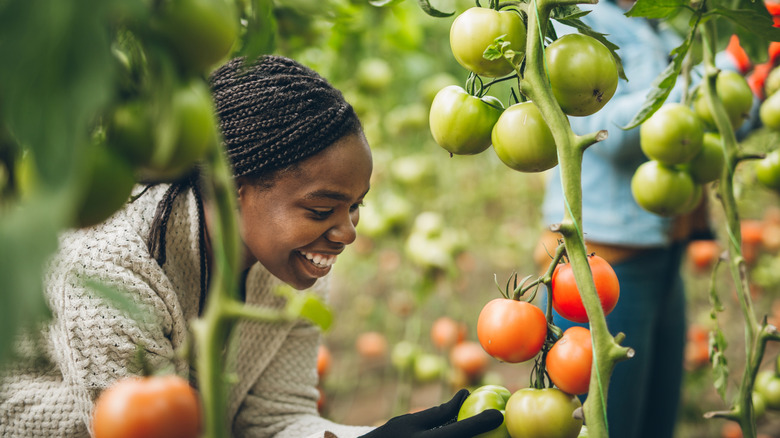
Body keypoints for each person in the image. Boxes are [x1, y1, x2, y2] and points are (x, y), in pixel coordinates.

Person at [0, 55, 502, 437]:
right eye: (321, 209)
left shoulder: (293, 266)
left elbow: (276, 419)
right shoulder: (112, 267)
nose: (347, 233)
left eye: (355, 207)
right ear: (231, 186)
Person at [534, 1, 754, 437]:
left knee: (654, 423)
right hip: (601, 267)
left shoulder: (661, 28)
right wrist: (728, 63)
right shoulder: (572, 20)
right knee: (609, 425)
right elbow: (605, 133)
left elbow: (705, 126)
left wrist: (755, 82)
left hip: (662, 256)